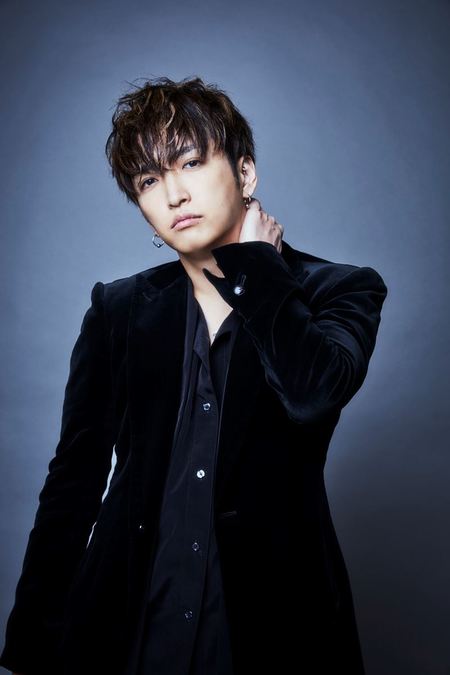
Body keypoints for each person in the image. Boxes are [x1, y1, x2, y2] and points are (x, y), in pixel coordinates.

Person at [0, 75, 388, 675]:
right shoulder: (119, 308)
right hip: (131, 617)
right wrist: (32, 642)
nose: (174, 195)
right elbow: (73, 479)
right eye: (148, 181)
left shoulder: (338, 290)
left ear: (245, 173)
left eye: (190, 163)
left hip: (272, 623)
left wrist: (259, 270)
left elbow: (312, 396)